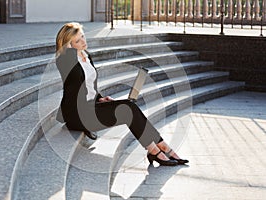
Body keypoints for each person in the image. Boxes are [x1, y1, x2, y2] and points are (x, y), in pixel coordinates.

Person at [55, 22, 188, 166]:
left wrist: (100, 98)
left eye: (83, 37)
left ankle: (160, 147)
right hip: (78, 115)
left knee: (129, 106)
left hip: (91, 106)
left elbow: (88, 86)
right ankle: (157, 151)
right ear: (68, 44)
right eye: (77, 41)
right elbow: (74, 81)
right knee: (127, 109)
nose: (83, 42)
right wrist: (67, 49)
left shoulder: (85, 56)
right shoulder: (65, 60)